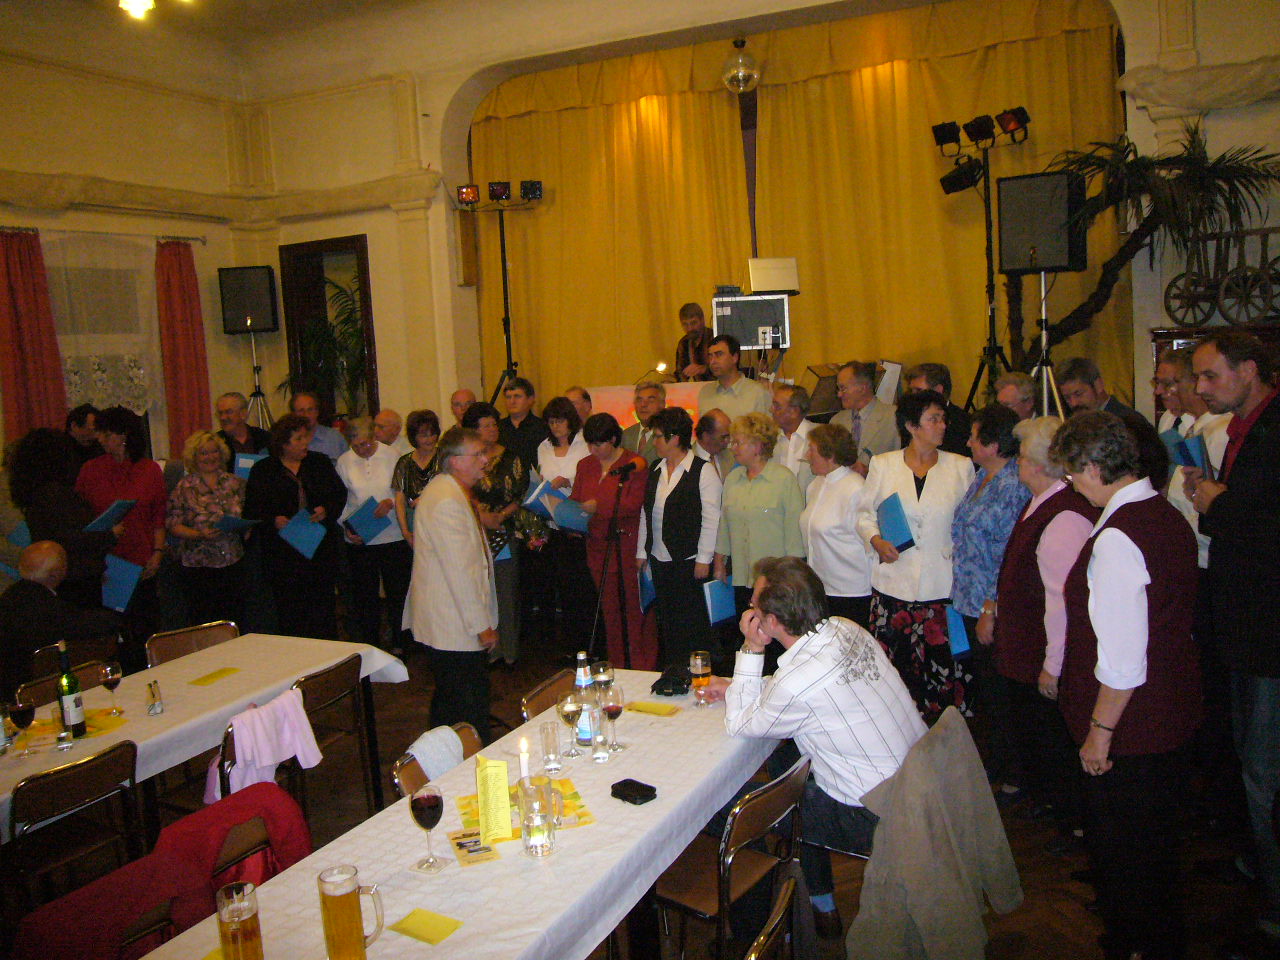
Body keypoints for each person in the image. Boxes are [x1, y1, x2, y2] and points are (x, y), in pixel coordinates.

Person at [702, 556, 926, 940]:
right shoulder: (845, 628)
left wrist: (751, 649)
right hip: (918, 785)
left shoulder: (797, 680)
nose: (749, 608)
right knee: (785, 761)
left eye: (754, 604)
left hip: (875, 815)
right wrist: (740, 686)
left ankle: (761, 934)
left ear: (772, 622)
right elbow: (804, 684)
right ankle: (821, 903)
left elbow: (740, 724)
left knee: (726, 806)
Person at [1050, 410, 1201, 960]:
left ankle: (1138, 945)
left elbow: (1122, 657)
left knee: (1127, 857)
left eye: (1073, 473)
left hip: (1132, 729)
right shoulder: (1163, 513)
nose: (1072, 485)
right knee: (1155, 852)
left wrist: (1099, 734)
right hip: (1168, 710)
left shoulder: (1117, 537)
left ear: (1095, 467)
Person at [1185, 330, 1280, 960]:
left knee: (1263, 773)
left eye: (1210, 375)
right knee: (1251, 763)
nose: (1201, 388)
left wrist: (1219, 504)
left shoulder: (1272, 431)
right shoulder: (1245, 427)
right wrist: (1214, 498)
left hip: (1269, 632)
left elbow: (1260, 526)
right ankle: (1258, 868)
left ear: (1249, 370)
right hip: (1246, 627)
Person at [993, 416, 1097, 848]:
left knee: (1056, 740)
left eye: (1020, 457)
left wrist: (1053, 665)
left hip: (1047, 652)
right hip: (1026, 647)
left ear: (1037, 464)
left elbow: (1062, 600)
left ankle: (1075, 821)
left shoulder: (1065, 516)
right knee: (1037, 736)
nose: (1016, 464)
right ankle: (1051, 802)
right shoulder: (1040, 502)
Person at [856, 390, 975, 722]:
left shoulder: (961, 466)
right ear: (911, 426)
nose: (942, 425)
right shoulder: (883, 465)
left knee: (941, 678)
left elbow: (968, 526)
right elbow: (864, 515)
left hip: (941, 588)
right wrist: (876, 539)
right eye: (933, 419)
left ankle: (941, 737)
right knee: (895, 679)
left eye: (942, 419)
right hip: (893, 586)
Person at [949, 405, 1030, 789]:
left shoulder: (1012, 487)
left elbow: (1007, 554)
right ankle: (995, 763)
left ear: (994, 445)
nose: (967, 442)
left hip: (988, 604)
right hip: (965, 598)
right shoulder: (982, 475)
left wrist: (989, 607)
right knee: (984, 688)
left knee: (1000, 694)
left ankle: (1012, 773)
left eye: (974, 437)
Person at [407, 427, 498, 742]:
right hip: (453, 622)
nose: (485, 460)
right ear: (456, 461)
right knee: (467, 708)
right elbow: (461, 572)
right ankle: (471, 765)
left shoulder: (451, 491)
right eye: (478, 454)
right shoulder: (446, 500)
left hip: (452, 619)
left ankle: (439, 761)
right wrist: (481, 625)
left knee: (450, 704)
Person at [243, 413, 346, 639]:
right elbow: (252, 509)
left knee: (323, 610)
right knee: (290, 613)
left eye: (306, 437)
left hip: (318, 548)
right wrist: (273, 520)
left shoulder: (319, 463)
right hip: (283, 554)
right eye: (298, 439)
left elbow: (338, 494)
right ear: (283, 443)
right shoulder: (263, 470)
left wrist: (326, 509)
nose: (305, 443)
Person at [76, 405, 168, 647]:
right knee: (111, 632)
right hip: (105, 562)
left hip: (141, 561)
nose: (100, 439)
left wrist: (157, 553)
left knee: (144, 630)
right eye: (100, 433)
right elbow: (80, 517)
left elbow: (158, 516)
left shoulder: (148, 470)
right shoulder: (90, 470)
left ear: (124, 435)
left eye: (107, 434)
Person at [638, 406, 721, 670]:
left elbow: (712, 518)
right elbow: (646, 512)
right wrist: (642, 551)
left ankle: (697, 674)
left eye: (657, 436)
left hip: (688, 559)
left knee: (692, 623)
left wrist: (704, 558)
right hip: (659, 557)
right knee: (668, 621)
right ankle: (673, 672)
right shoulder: (656, 468)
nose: (654, 442)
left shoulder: (703, 470)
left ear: (674, 438)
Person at [571, 412, 656, 670]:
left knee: (634, 609)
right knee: (609, 609)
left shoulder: (634, 464)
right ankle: (617, 664)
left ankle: (641, 665)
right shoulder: (585, 464)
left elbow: (635, 503)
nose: (593, 450)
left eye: (598, 444)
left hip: (627, 544)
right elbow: (576, 497)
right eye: (590, 444)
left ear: (614, 439)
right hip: (597, 545)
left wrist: (598, 506)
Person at [5, 427, 117, 609]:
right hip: (74, 575)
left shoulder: (35, 493)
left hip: (58, 573)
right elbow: (71, 538)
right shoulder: (56, 495)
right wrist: (109, 535)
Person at [713, 413, 805, 621]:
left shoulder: (783, 479)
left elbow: (794, 535)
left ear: (758, 445)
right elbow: (724, 525)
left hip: (775, 582)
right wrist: (719, 562)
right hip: (740, 576)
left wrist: (791, 579)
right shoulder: (733, 479)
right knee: (745, 630)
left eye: (738, 442)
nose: (732, 447)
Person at [0, 541, 120, 700]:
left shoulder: (8, 598)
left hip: (10, 690)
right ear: (56, 574)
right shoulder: (48, 606)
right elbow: (85, 625)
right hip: (41, 692)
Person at [337, 417, 412, 654]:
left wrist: (390, 502)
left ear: (374, 437)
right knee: (365, 596)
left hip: (392, 535)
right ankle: (371, 644)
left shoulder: (392, 455)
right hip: (361, 538)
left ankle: (401, 642)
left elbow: (404, 491)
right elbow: (341, 500)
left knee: (397, 592)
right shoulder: (344, 462)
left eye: (366, 444)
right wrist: (347, 528)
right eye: (356, 446)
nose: (362, 450)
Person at [463, 402, 527, 666]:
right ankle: (488, 650)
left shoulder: (511, 458)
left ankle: (509, 651)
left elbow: (521, 494)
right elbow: (463, 491)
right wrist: (480, 515)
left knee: (506, 591)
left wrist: (499, 516)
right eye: (485, 425)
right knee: (481, 591)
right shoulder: (468, 461)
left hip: (504, 530)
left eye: (494, 424)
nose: (492, 429)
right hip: (474, 532)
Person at [165, 430, 247, 628]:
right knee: (204, 623)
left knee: (234, 621)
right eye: (204, 453)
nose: (210, 457)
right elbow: (173, 524)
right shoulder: (185, 487)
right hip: (198, 565)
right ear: (194, 457)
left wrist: (244, 527)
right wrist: (198, 534)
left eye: (214, 451)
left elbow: (247, 514)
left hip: (232, 561)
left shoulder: (235, 483)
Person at [799, 423, 873, 627]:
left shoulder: (855, 488)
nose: (807, 456)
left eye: (811, 450)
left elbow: (869, 540)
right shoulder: (815, 485)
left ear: (829, 455)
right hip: (820, 588)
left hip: (849, 592)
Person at [536, 397, 594, 653]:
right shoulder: (543, 447)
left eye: (560, 421)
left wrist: (568, 481)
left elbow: (591, 477)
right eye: (551, 422)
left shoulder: (584, 444)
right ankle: (568, 644)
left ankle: (588, 643)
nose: (556, 426)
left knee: (582, 587)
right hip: (552, 523)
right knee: (561, 586)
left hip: (579, 523)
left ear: (571, 420)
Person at [1059, 356, 1168, 490]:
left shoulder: (1128, 422)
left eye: (1078, 394)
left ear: (1098, 385)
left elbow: (1153, 473)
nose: (1074, 403)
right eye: (1067, 398)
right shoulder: (1079, 424)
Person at [830, 361, 900, 474]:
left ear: (862, 389)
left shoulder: (893, 417)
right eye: (839, 389)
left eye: (843, 388)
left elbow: (903, 464)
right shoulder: (836, 422)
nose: (839, 394)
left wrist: (869, 473)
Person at [391, 409, 442, 547]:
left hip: (441, 520)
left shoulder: (445, 458)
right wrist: (405, 532)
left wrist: (427, 498)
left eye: (433, 434)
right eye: (424, 435)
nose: (430, 439)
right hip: (415, 523)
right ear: (414, 437)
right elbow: (399, 500)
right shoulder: (404, 462)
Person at [696, 335, 772, 421]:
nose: (713, 361)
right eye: (710, 356)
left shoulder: (757, 392)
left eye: (719, 354)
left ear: (734, 357)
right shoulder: (705, 392)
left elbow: (768, 428)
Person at [904, 362, 971, 457]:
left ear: (938, 390)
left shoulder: (964, 423)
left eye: (919, 390)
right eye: (911, 391)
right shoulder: (909, 417)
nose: (913, 396)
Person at [497, 377, 550, 480]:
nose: (512, 401)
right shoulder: (498, 429)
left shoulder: (543, 428)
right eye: (508, 397)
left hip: (533, 484)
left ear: (530, 399)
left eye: (517, 396)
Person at [770, 384, 814, 495]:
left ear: (794, 411)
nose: (771, 410)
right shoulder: (770, 439)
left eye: (777, 406)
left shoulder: (820, 437)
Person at [215, 391, 270, 470]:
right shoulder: (216, 442)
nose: (223, 417)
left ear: (243, 414)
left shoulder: (264, 438)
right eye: (220, 413)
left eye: (228, 412)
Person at [290, 391, 346, 463]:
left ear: (317, 412)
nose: (306, 415)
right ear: (293, 414)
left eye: (310, 409)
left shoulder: (334, 438)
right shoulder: (289, 444)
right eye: (301, 411)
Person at [621, 381, 665, 465]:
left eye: (651, 400)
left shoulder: (669, 434)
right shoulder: (625, 435)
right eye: (639, 400)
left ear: (662, 404)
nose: (643, 405)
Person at [1153, 348, 1193, 437]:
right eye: (1157, 382)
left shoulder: (1212, 427)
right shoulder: (1167, 418)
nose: (1158, 391)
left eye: (1167, 384)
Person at [674, 301, 714, 382]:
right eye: (685, 324)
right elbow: (679, 372)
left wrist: (704, 369)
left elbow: (726, 368)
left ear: (702, 320)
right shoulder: (683, 343)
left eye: (693, 323)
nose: (690, 328)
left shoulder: (714, 338)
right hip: (694, 387)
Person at [693, 409, 734, 481]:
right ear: (706, 436)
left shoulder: (731, 456)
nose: (728, 441)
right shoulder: (686, 460)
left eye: (729, 436)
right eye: (723, 437)